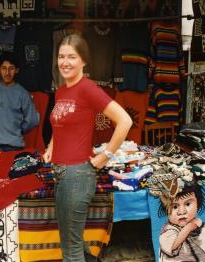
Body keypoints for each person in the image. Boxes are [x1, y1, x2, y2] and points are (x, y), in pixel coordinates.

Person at [43, 34, 132, 261]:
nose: (65, 62)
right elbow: (59, 123)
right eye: (61, 56)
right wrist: (51, 147)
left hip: (77, 175)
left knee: (71, 250)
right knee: (74, 242)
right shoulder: (61, 91)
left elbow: (125, 121)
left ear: (83, 61)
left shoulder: (88, 88)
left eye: (71, 57)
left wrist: (106, 155)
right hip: (61, 172)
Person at [158, 184, 205, 262]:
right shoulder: (168, 231)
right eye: (174, 207)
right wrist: (187, 228)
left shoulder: (204, 227)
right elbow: (171, 247)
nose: (182, 211)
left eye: (187, 204)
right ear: (166, 211)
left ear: (197, 205)